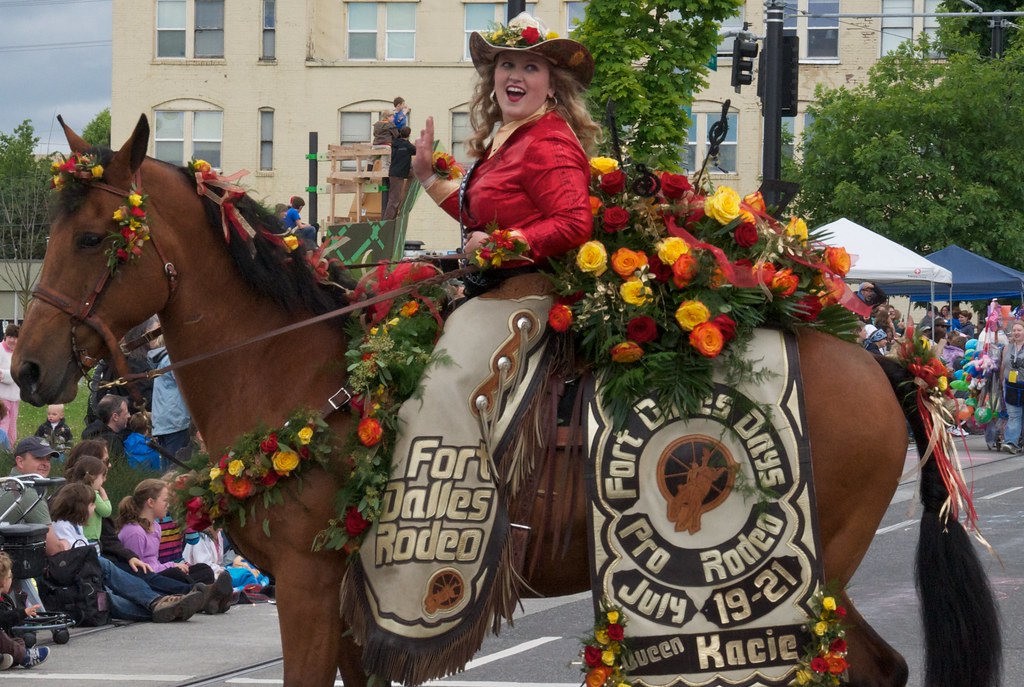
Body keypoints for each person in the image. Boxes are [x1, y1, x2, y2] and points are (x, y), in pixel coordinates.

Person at [48, 483, 207, 623]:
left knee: (111, 583)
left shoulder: (76, 526)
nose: (95, 508)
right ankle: (164, 606)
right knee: (110, 597)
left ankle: (164, 606)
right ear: (79, 506)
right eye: (91, 504)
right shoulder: (61, 525)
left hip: (88, 578)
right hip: (75, 583)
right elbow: (69, 557)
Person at [117, 479, 232, 613]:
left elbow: (155, 562)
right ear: (150, 502)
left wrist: (173, 565)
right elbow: (140, 572)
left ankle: (204, 597)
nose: (169, 505)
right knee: (176, 573)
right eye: (165, 500)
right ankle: (205, 597)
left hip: (157, 572)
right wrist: (171, 565)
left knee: (203, 570)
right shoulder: (134, 532)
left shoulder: (156, 527)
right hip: (146, 580)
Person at [148, 339, 192, 466]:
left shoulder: (162, 361)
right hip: (175, 421)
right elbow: (186, 385)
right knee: (177, 466)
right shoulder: (170, 360)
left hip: (164, 422)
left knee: (169, 464)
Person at [0, 552, 47, 669]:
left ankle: (6, 659)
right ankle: (24, 657)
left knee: (19, 641)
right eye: (10, 577)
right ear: (3, 581)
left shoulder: (4, 599)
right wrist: (22, 613)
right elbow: (3, 618)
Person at [65, 455, 111, 544]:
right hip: (91, 537)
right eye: (102, 477)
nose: (104, 480)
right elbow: (106, 511)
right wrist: (104, 495)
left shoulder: (74, 490)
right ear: (93, 477)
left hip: (78, 536)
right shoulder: (93, 494)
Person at [1000, 321, 1024, 455]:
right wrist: (1001, 381)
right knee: (1014, 416)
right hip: (1011, 387)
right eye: (1014, 330)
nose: (1016, 332)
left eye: (1019, 330)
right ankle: (1011, 442)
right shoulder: (1007, 347)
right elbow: (1003, 366)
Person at [82, 394, 130, 460]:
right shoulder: (113, 443)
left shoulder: (91, 433)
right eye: (126, 413)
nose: (129, 416)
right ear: (115, 417)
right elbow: (118, 468)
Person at [382, 127, 416, 220]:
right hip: (399, 174)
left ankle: (392, 216)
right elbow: (416, 151)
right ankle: (387, 220)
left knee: (394, 197)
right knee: (394, 199)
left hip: (394, 172)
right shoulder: (408, 146)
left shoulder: (395, 143)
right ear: (409, 135)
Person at [0, 325, 19, 444]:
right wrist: (10, 375)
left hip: (15, 398)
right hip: (2, 398)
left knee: (12, 429)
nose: (13, 340)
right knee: (3, 425)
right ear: (5, 336)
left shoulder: (18, 353)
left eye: (16, 337)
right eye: (10, 336)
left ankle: (9, 454)